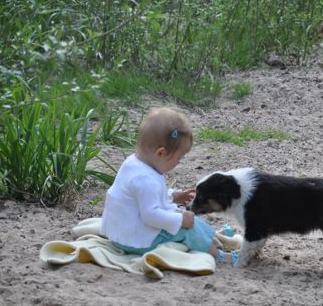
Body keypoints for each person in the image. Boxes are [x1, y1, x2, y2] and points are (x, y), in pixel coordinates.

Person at [100, 107, 237, 265]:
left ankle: (213, 238)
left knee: (185, 219)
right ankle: (220, 256)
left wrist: (173, 196)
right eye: (178, 158)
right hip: (137, 241)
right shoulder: (146, 180)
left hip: (121, 234)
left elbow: (145, 198)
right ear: (160, 153)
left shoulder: (133, 163)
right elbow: (151, 215)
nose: (178, 163)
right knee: (189, 227)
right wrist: (180, 220)